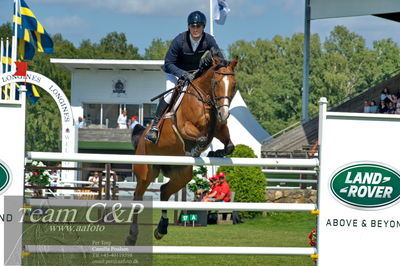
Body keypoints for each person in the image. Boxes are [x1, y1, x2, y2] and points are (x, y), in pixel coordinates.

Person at [145, 10, 224, 144]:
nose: (195, 29)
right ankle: (155, 127)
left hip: (194, 74)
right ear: (188, 26)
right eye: (192, 26)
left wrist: (216, 59)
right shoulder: (179, 40)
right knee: (169, 96)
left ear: (203, 27)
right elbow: (168, 63)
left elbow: (219, 59)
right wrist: (182, 73)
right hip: (175, 73)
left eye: (198, 26)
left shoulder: (208, 39)